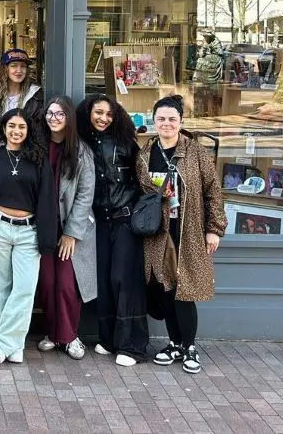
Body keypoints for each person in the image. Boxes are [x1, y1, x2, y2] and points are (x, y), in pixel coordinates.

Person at [136, 95, 226, 375]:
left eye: (172, 119)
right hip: (157, 233)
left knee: (185, 291)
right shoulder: (144, 155)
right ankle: (174, 343)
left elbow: (213, 191)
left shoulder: (195, 152)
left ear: (180, 121)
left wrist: (214, 229)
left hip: (188, 231)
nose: (166, 124)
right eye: (161, 119)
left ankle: (189, 347)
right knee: (165, 289)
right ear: (154, 121)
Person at [0, 107, 58, 364]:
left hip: (28, 231)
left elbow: (47, 200)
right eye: (11, 126)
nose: (16, 131)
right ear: (3, 129)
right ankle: (13, 346)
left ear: (28, 130)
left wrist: (47, 237)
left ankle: (2, 342)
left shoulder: (39, 160)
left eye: (21, 127)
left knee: (24, 288)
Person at [75, 94, 148, 366]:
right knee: (103, 281)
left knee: (124, 280)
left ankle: (132, 346)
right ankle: (108, 339)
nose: (103, 118)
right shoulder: (81, 143)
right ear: (88, 113)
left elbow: (142, 181)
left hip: (125, 220)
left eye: (109, 114)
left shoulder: (126, 143)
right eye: (98, 112)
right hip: (98, 222)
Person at [36, 97, 97, 360]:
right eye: (50, 113)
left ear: (69, 117)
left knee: (67, 285)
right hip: (44, 227)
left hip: (71, 229)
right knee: (47, 283)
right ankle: (53, 333)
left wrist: (72, 233)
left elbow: (85, 194)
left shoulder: (81, 151)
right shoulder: (38, 146)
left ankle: (70, 336)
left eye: (60, 114)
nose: (54, 118)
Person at [0, 48, 43, 118]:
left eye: (23, 66)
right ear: (5, 69)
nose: (19, 70)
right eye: (14, 66)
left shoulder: (35, 95)